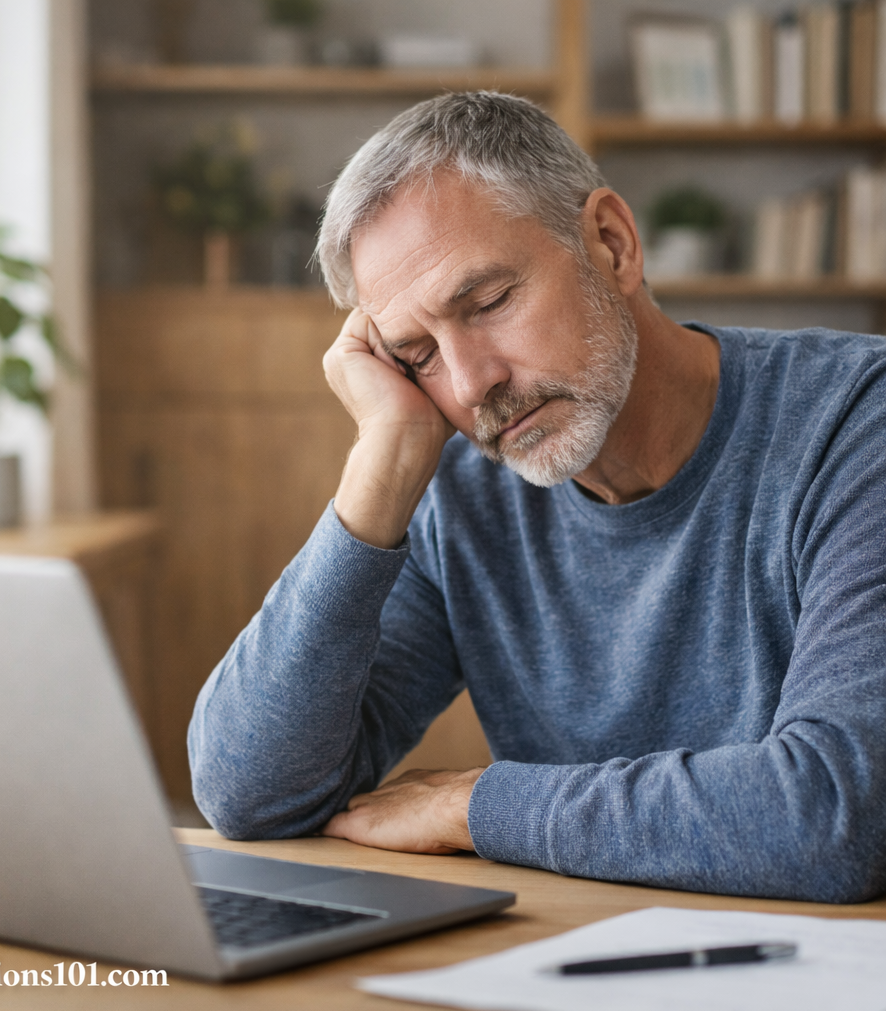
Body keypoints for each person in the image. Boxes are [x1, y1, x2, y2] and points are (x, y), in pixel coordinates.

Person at [188, 92, 886, 902]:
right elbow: (252, 792)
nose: (471, 382)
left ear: (612, 244)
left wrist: (475, 804)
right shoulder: (463, 489)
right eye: (417, 354)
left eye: (487, 304)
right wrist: (381, 461)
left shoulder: (856, 423)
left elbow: (837, 815)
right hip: (570, 961)